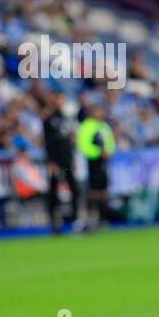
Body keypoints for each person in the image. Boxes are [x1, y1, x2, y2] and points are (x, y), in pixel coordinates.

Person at [42, 91, 78, 233]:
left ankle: (74, 219)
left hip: (67, 159)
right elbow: (48, 143)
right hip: (56, 160)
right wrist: (51, 162)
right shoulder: (49, 120)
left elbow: (70, 141)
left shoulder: (67, 118)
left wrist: (73, 157)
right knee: (54, 189)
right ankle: (54, 222)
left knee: (74, 188)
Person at [76, 106, 115, 230]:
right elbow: (83, 145)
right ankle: (91, 218)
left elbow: (110, 142)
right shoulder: (86, 126)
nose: (100, 114)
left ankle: (103, 219)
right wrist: (98, 152)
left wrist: (109, 152)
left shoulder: (104, 126)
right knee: (93, 191)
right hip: (91, 162)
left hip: (103, 163)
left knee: (103, 190)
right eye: (97, 111)